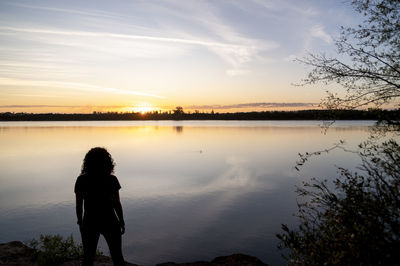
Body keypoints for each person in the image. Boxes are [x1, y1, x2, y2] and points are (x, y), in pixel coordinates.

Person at [75, 147, 125, 266]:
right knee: (117, 256)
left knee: (88, 257)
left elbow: (79, 205)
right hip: (110, 220)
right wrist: (121, 221)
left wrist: (80, 222)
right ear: (108, 162)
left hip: (89, 221)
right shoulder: (111, 180)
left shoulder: (81, 180)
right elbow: (116, 203)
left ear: (87, 162)